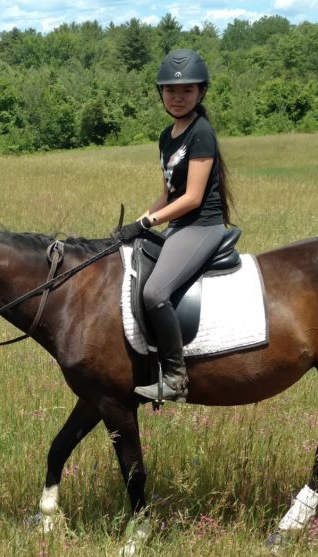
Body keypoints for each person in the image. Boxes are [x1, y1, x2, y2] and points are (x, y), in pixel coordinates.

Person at [115, 48, 234, 402]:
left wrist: (149, 222)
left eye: (186, 91)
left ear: (201, 93)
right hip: (179, 227)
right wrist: (137, 223)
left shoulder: (201, 133)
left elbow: (193, 197)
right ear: (161, 94)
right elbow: (168, 194)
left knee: (154, 293)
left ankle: (176, 379)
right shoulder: (168, 136)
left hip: (202, 227)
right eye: (170, 91)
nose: (177, 97)